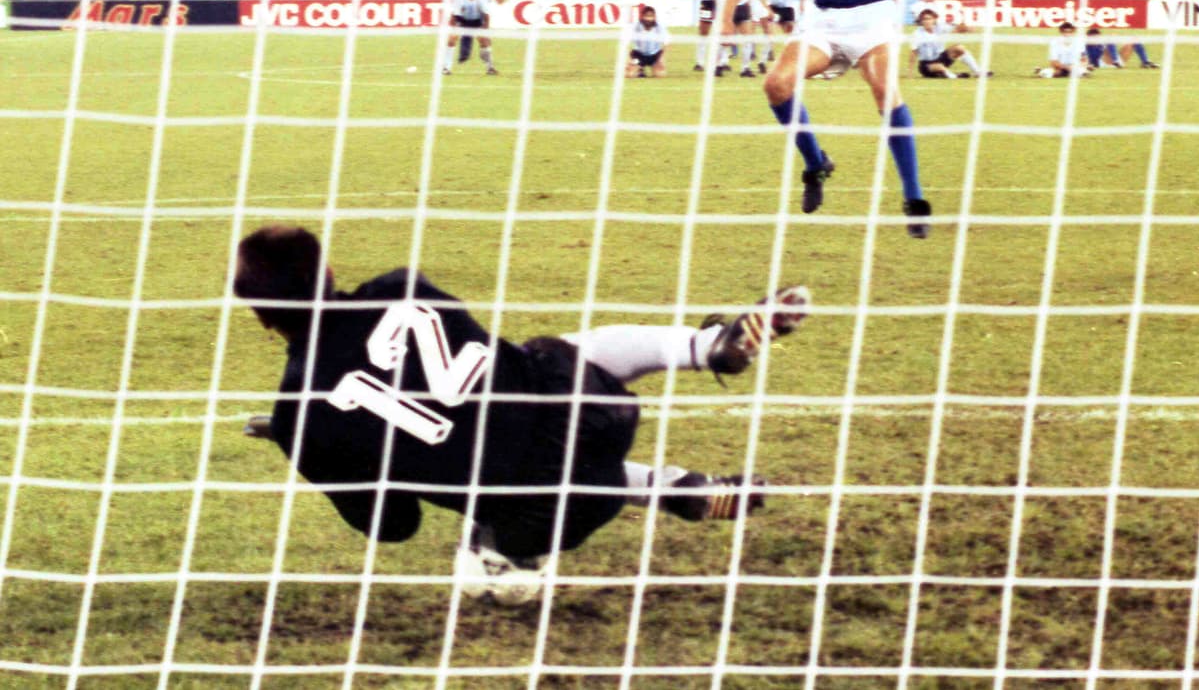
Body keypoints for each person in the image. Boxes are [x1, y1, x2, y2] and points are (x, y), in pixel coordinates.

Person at [233, 225, 810, 604]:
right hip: (586, 403)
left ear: (258, 315)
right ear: (329, 272)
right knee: (544, 358)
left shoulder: (299, 415)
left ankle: (681, 490)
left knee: (500, 508)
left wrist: (307, 444)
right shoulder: (401, 286)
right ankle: (704, 348)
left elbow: (394, 526)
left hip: (551, 511)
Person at [717, 0, 1011, 234]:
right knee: (776, 85)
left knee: (885, 91)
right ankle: (816, 164)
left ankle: (914, 199)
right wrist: (726, 19)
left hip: (873, 21)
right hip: (822, 22)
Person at [910, 9, 987, 79]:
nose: (927, 21)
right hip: (926, 65)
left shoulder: (940, 27)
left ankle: (977, 72)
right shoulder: (917, 34)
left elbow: (957, 29)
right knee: (938, 66)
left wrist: (967, 28)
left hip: (940, 58)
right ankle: (954, 76)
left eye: (929, 19)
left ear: (934, 20)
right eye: (924, 19)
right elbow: (913, 52)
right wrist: (910, 72)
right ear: (921, 21)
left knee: (959, 48)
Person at [443, 0, 497, 76]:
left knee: (485, 41)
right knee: (451, 39)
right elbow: (454, 14)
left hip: (477, 21)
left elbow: (486, 15)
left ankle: (490, 68)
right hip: (463, 21)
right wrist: (452, 28)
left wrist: (486, 29)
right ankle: (446, 68)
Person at [1085, 26, 1159, 70]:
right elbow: (1088, 60)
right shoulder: (1087, 46)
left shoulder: (1101, 43)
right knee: (1110, 39)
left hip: (1117, 62)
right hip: (1103, 64)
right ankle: (1116, 61)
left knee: (1134, 39)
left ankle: (1145, 62)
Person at [627, 5, 669, 78]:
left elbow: (667, 43)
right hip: (639, 54)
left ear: (654, 17)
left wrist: (661, 58)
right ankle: (640, 69)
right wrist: (629, 59)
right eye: (646, 16)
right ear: (642, 16)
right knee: (630, 75)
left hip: (655, 54)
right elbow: (626, 43)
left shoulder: (660, 27)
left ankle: (653, 66)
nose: (649, 19)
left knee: (660, 75)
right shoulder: (635, 26)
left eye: (651, 16)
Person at [694, 0, 716, 72]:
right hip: (707, 2)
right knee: (704, 32)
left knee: (722, 31)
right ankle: (700, 62)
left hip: (720, 2)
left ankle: (723, 62)